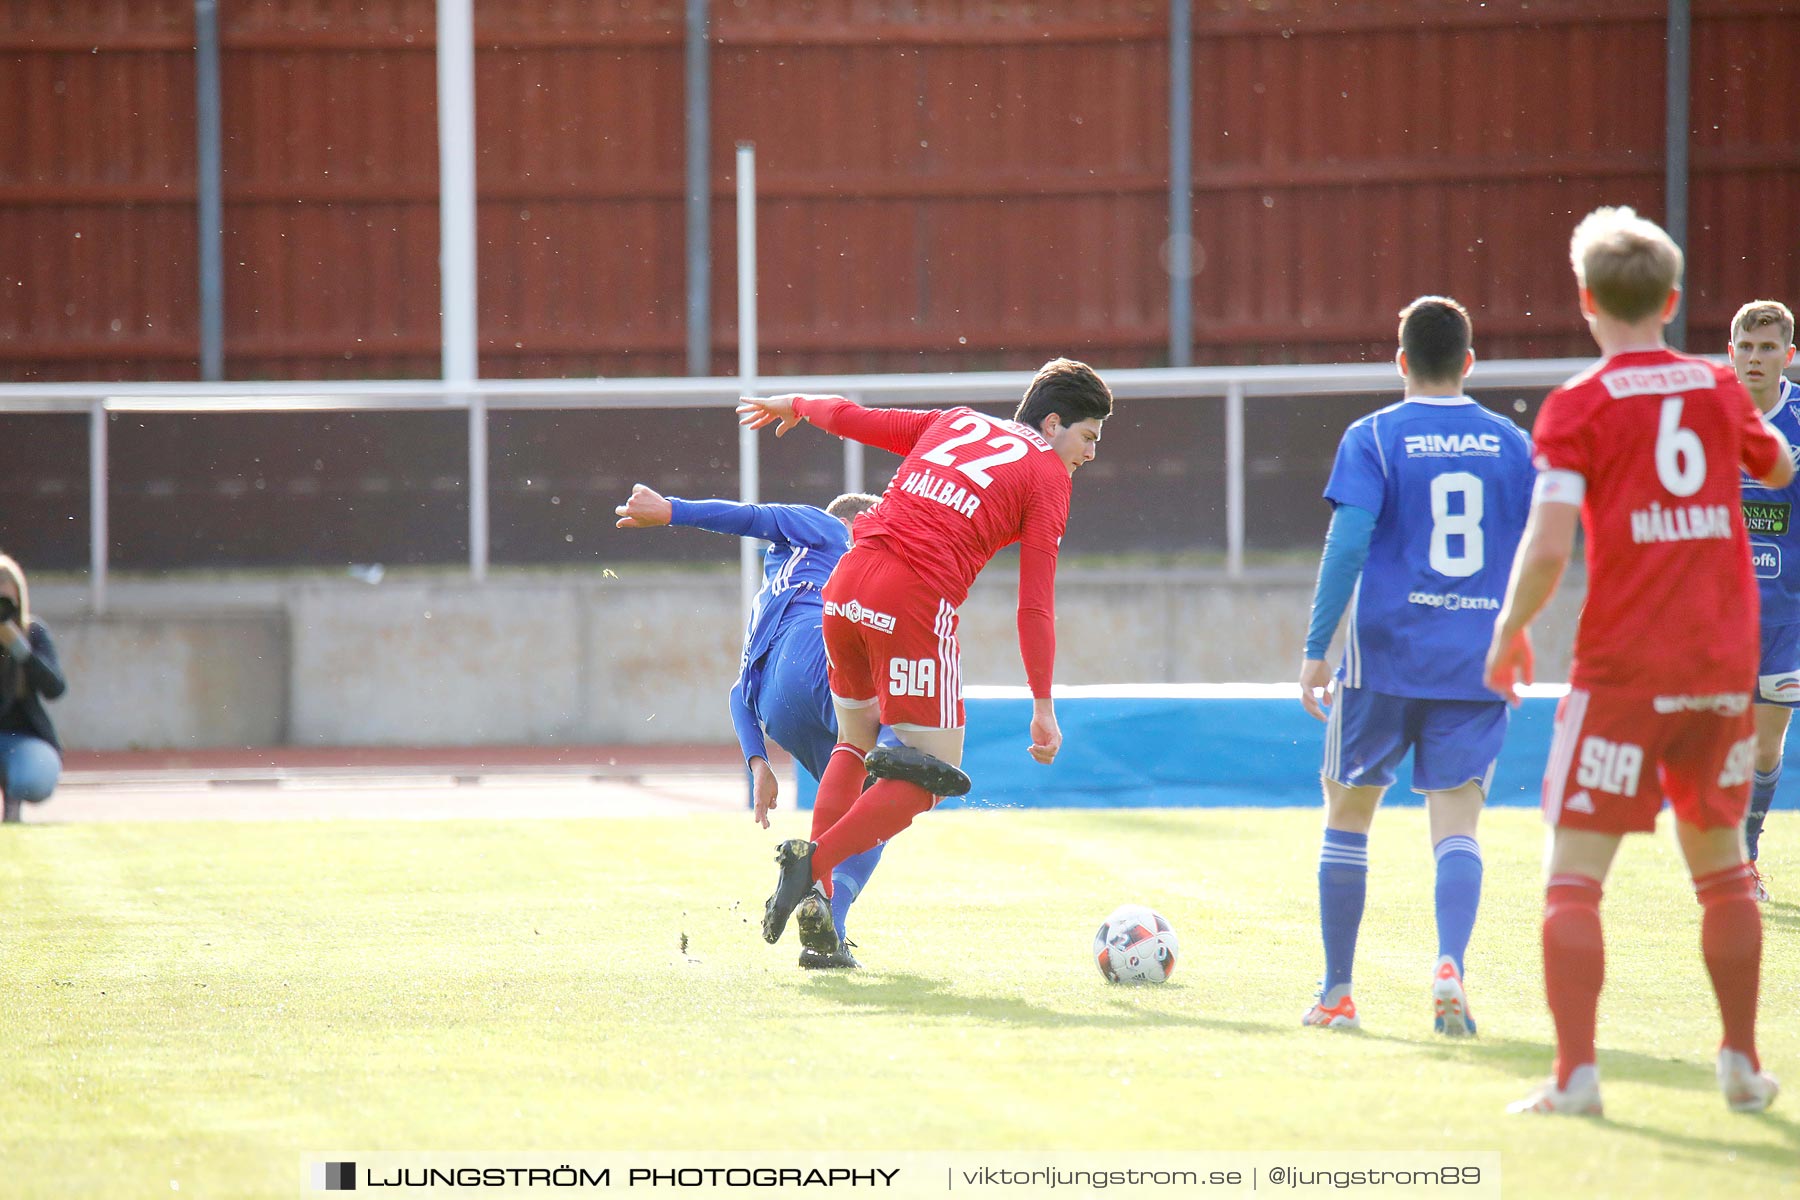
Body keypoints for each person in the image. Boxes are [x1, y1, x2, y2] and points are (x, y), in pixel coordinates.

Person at [1486, 206, 1787, 1116]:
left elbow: (1546, 545)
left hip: (1623, 672)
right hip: (1718, 667)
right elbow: (1775, 468)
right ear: (1672, 298)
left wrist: (1507, 634)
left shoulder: (1576, 405)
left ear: (1585, 300)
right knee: (1724, 869)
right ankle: (1739, 1062)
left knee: (1574, 877)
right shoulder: (1715, 386)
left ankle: (1576, 1076)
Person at [735, 357, 1112, 960]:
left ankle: (822, 921)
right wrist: (1043, 704)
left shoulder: (954, 421)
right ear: (1053, 423)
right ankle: (815, 868)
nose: (1090, 454)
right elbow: (1034, 605)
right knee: (933, 773)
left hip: (847, 582)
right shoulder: (1048, 475)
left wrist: (798, 404)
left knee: (854, 740)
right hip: (911, 598)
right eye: (1089, 436)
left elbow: (857, 419)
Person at [1297, 296, 1535, 1036]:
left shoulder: (1372, 436)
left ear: (1401, 361)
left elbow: (1347, 545)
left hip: (1385, 658)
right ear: (1469, 362)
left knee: (1348, 811)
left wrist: (1315, 651)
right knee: (1458, 820)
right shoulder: (1511, 444)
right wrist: (1519, 633)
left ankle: (1338, 992)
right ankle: (1449, 962)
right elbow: (1542, 548)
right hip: (1476, 661)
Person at [614, 484, 885, 968]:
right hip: (811, 653)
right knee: (898, 758)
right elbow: (752, 516)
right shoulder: (826, 529)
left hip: (774, 708)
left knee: (869, 811)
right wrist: (674, 510)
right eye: (875, 530)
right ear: (856, 523)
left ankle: (825, 934)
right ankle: (909, 753)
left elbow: (739, 691)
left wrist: (758, 763)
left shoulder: (773, 592)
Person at [1728, 299, 1799, 902]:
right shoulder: (1703, 418)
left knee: (1765, 741)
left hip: (1786, 616)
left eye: (1768, 347)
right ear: (1732, 353)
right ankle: (1724, 861)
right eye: (1747, 347)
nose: (1756, 357)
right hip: (1714, 612)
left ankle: (1746, 851)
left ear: (1788, 355)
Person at [0, 554, 67, 825]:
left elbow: (55, 688)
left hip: (23, 736)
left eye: (7, 603)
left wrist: (20, 649)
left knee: (35, 778)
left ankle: (13, 803)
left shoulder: (33, 633)